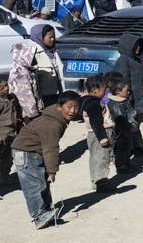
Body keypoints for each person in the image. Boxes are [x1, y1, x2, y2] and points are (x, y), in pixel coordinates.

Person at [10, 90, 80, 229]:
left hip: (33, 151)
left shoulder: (58, 118)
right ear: (59, 106)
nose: (72, 111)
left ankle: (46, 210)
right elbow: (50, 148)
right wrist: (52, 171)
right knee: (34, 184)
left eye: (76, 107)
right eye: (69, 107)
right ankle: (38, 215)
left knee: (42, 182)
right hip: (25, 152)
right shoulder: (52, 123)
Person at [9, 25, 63, 122]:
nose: (53, 39)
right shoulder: (31, 53)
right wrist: (33, 114)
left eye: (54, 36)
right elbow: (25, 95)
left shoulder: (53, 50)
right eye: (50, 37)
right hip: (43, 97)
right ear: (40, 36)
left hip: (52, 94)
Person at [112, 33, 143, 156]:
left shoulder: (135, 60)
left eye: (139, 45)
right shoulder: (124, 61)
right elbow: (122, 82)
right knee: (130, 125)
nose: (138, 48)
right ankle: (128, 149)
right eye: (135, 45)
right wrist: (128, 98)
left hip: (139, 99)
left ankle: (136, 146)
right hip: (131, 100)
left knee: (136, 124)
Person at [79, 75, 114, 192]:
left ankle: (95, 181)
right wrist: (102, 137)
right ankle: (101, 182)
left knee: (94, 158)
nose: (105, 92)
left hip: (93, 134)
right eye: (104, 90)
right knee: (101, 158)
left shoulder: (87, 101)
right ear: (95, 90)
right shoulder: (94, 104)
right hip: (99, 134)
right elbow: (96, 122)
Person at [107, 78, 137, 173]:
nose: (129, 92)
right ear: (118, 92)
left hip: (127, 129)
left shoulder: (123, 101)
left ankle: (127, 163)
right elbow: (120, 120)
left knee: (128, 147)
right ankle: (121, 166)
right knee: (122, 148)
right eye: (127, 90)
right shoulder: (117, 105)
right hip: (121, 132)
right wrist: (126, 130)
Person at [0, 80, 23, 184]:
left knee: (8, 157)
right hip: (2, 134)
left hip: (11, 132)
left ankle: (4, 177)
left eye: (6, 86)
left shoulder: (11, 98)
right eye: (2, 88)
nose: (6, 88)